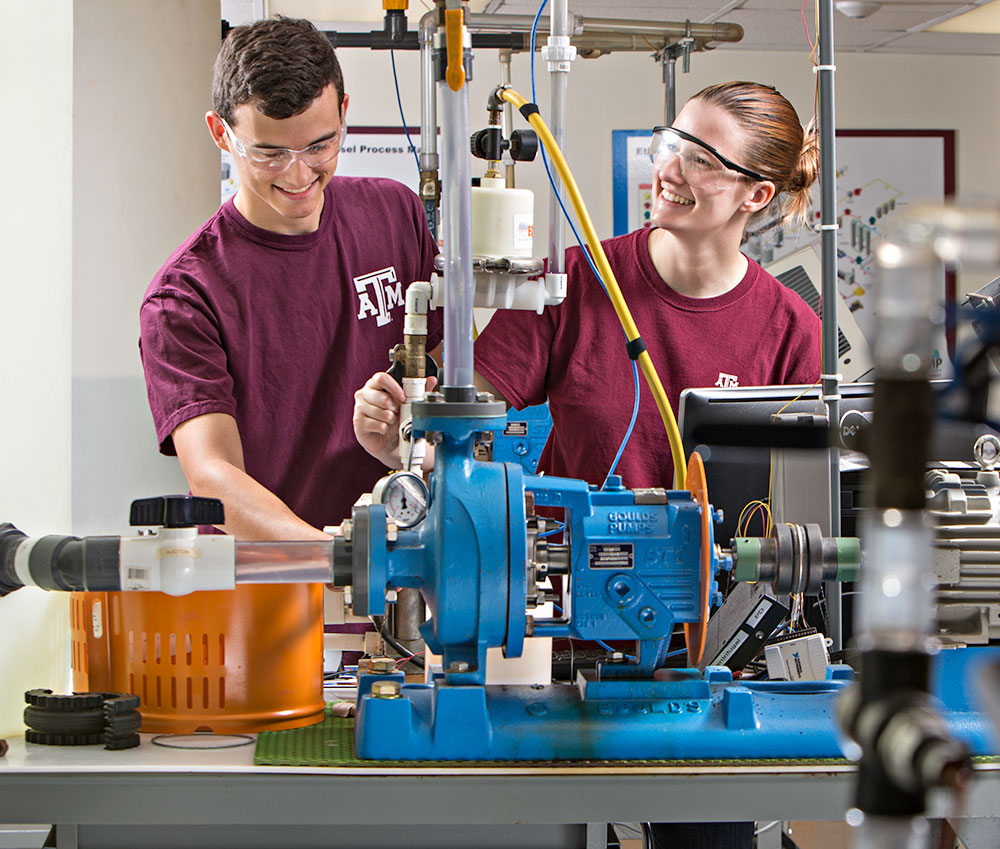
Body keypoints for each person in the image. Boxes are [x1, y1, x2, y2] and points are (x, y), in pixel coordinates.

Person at [355, 80, 821, 848]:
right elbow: (460, 418)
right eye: (670, 140)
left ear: (755, 193)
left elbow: (798, 505)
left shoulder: (788, 330)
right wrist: (401, 439)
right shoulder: (577, 281)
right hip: (557, 642)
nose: (668, 166)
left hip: (704, 655)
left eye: (701, 157)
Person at [140, 16, 442, 542]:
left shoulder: (395, 215)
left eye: (319, 146)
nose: (300, 175)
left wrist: (413, 440)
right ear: (221, 134)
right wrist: (333, 559)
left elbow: (457, 375)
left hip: (403, 576)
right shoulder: (185, 298)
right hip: (268, 593)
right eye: (270, 153)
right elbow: (213, 476)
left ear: (344, 115)